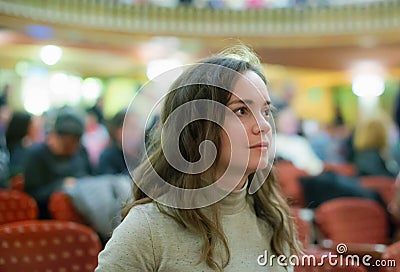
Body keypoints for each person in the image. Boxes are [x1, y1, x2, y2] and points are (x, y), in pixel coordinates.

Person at [95, 46, 301, 271]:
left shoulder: (273, 219)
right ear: (197, 127)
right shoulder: (148, 228)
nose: (263, 126)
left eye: (266, 112)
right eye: (241, 111)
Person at [24, 108, 92, 219]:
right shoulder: (37, 154)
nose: (72, 147)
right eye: (67, 142)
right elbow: (31, 196)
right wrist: (61, 186)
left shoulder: (80, 153)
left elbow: (91, 178)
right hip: (47, 215)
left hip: (82, 211)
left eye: (75, 142)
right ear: (55, 136)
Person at [96, 109, 142, 175]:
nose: (139, 131)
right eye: (133, 127)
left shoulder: (145, 154)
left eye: (139, 126)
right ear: (119, 131)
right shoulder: (109, 158)